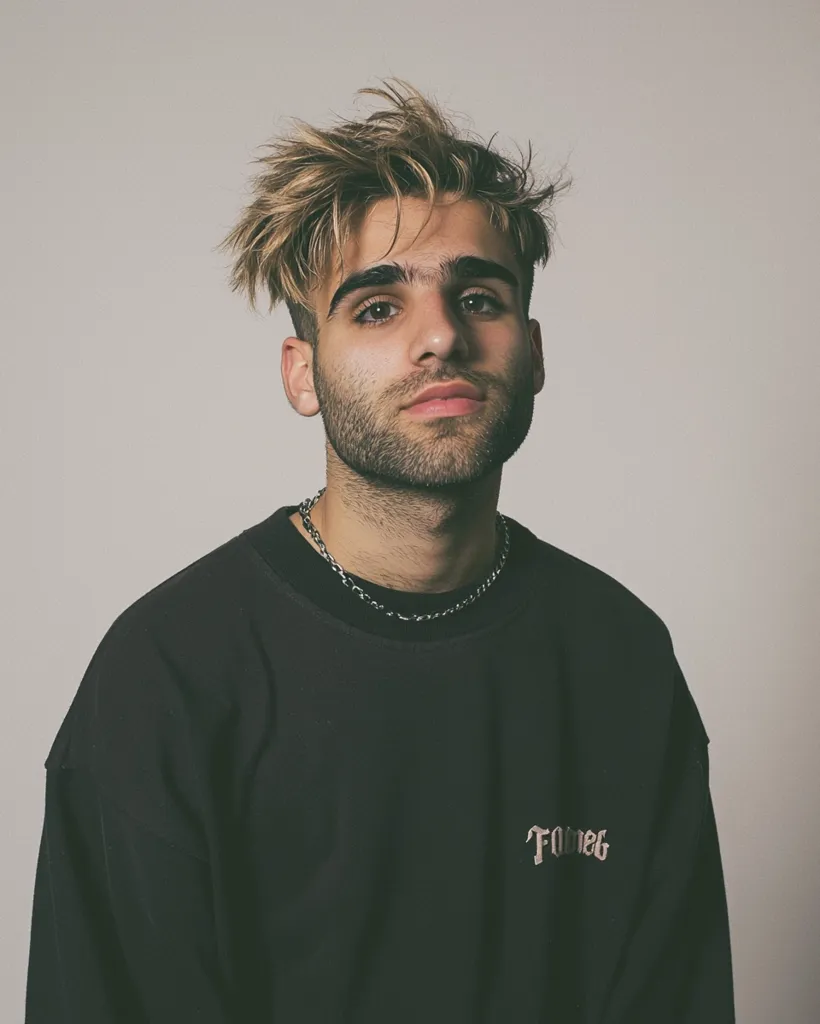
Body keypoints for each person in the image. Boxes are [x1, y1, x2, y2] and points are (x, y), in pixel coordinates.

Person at [25, 78, 735, 1023]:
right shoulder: (166, 675)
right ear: (302, 373)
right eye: (375, 308)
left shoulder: (621, 659)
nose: (440, 336)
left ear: (530, 351)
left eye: (477, 296)